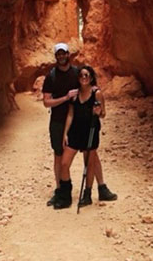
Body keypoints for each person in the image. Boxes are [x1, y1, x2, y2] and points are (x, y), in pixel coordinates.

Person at [52, 65, 117, 209]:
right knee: (64, 163)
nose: (84, 78)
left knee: (89, 164)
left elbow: (103, 114)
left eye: (86, 75)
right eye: (81, 75)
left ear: (91, 78)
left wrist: (98, 112)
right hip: (75, 132)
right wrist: (65, 134)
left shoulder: (97, 94)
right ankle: (65, 195)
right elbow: (70, 114)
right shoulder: (74, 95)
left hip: (90, 132)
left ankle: (87, 195)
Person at [41, 42, 79, 206]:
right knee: (58, 155)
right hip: (57, 120)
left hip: (76, 120)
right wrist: (65, 97)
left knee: (87, 152)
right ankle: (60, 190)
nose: (61, 56)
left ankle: (93, 188)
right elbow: (46, 102)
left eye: (64, 53)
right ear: (56, 56)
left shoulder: (77, 74)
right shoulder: (51, 76)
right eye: (58, 54)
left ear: (68, 54)